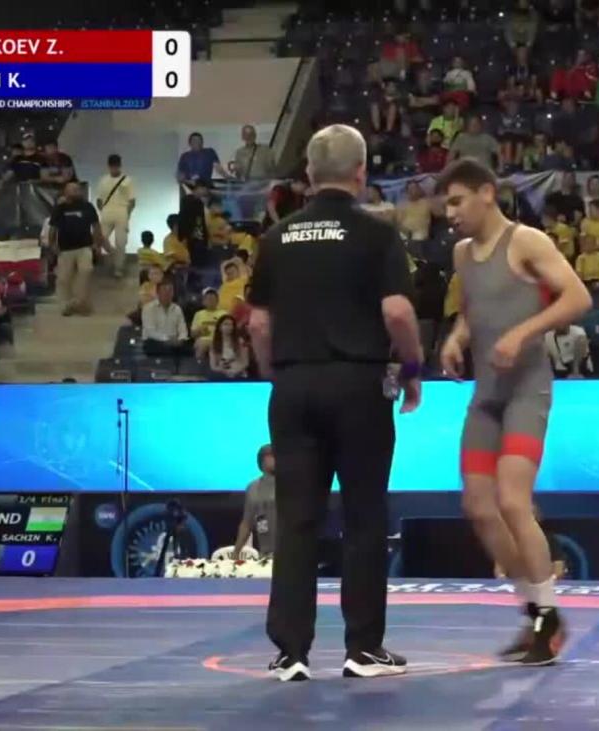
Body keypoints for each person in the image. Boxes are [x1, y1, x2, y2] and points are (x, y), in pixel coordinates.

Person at [246, 124, 424, 682]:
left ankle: (290, 652)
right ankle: (363, 649)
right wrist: (412, 371)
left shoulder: (277, 237)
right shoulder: (376, 234)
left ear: (308, 173)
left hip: (294, 385)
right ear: (361, 172)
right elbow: (397, 313)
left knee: (296, 518)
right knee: (364, 516)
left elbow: (258, 323)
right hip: (358, 385)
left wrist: (278, 373)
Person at [437, 158, 590, 666]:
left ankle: (548, 617)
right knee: (479, 508)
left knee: (512, 500)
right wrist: (457, 339)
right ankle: (536, 612)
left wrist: (523, 332)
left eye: (456, 201)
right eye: (445, 205)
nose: (450, 213)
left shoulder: (526, 242)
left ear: (487, 193)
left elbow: (578, 298)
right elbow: (473, 310)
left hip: (527, 390)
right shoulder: (462, 254)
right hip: (486, 395)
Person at [48, 181, 105, 317]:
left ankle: (81, 304)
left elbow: (96, 226)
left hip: (84, 247)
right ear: (65, 192)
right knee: (64, 279)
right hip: (65, 249)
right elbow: (53, 228)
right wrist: (52, 244)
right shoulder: (60, 208)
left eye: (77, 189)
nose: (76, 191)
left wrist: (97, 244)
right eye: (72, 189)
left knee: (86, 272)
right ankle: (66, 305)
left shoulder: (87, 207)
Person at [233, 445, 278, 558]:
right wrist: (236, 551)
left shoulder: (292, 484)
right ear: (262, 460)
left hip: (290, 552)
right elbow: (246, 523)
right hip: (265, 553)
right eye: (271, 455)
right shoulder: (252, 487)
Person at [96, 154, 137, 278]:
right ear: (109, 166)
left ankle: (118, 268)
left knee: (121, 242)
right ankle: (114, 255)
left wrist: (127, 215)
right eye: (112, 166)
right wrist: (102, 210)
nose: (114, 168)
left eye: (116, 166)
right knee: (101, 238)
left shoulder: (127, 180)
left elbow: (132, 201)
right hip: (107, 211)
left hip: (122, 211)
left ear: (120, 166)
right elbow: (99, 199)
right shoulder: (103, 180)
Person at [142, 281, 190, 359]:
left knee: (189, 351)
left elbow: (183, 329)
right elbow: (150, 332)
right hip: (154, 341)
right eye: (164, 290)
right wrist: (167, 339)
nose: (168, 293)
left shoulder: (177, 309)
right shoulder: (148, 308)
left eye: (170, 290)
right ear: (158, 292)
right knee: (166, 350)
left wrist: (181, 339)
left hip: (175, 342)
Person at [208, 315, 250, 379]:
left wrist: (235, 371)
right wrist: (224, 371)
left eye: (231, 325)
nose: (229, 327)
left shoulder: (240, 342)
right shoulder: (214, 344)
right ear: (220, 327)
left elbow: (245, 363)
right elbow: (213, 366)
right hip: (222, 372)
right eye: (226, 324)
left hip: (238, 372)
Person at [190, 288, 226, 361]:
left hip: (218, 340)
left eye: (212, 299)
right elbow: (192, 334)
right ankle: (199, 365)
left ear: (217, 301)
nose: (210, 301)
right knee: (201, 344)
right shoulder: (198, 314)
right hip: (202, 340)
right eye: (208, 299)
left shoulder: (223, 314)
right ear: (203, 301)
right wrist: (199, 330)